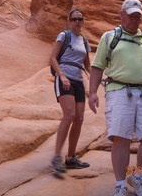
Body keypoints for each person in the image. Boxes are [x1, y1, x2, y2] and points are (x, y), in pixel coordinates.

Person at [88, 0, 142, 196]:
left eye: (137, 16)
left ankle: (138, 176)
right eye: (131, 15)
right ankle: (120, 185)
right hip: (118, 91)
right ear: (121, 15)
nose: (134, 20)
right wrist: (92, 93)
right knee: (121, 139)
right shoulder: (110, 37)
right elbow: (98, 66)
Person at [49, 9, 91, 173]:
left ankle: (71, 157)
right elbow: (53, 58)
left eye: (80, 19)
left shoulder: (84, 41)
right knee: (69, 115)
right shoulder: (64, 36)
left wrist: (94, 81)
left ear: (83, 21)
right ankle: (56, 157)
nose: (77, 22)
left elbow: (86, 64)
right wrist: (62, 76)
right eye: (74, 19)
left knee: (79, 118)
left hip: (78, 80)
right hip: (65, 78)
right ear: (69, 21)